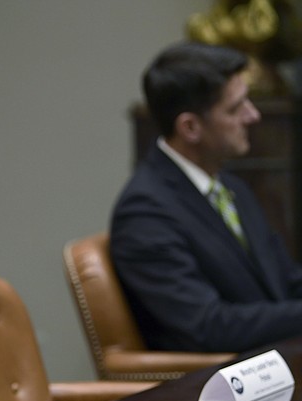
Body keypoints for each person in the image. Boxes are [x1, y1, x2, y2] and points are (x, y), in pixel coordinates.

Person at [110, 41, 302, 353]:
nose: (253, 116)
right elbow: (207, 326)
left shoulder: (230, 186)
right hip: (208, 389)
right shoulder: (145, 212)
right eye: (236, 108)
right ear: (190, 127)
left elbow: (285, 280)